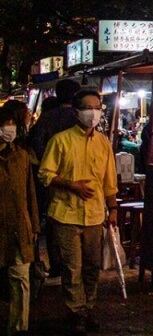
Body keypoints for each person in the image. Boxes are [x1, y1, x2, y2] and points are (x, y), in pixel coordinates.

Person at [38, 89, 118, 334]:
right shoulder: (60, 140)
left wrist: (112, 209)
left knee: (92, 266)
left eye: (97, 108)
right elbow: (45, 174)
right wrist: (71, 185)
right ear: (77, 112)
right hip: (66, 214)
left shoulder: (103, 142)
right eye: (88, 108)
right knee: (72, 268)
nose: (93, 113)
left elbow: (109, 180)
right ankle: (76, 311)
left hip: (94, 215)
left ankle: (88, 307)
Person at [29, 79, 80, 278]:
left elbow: (36, 141)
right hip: (78, 176)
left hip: (52, 178)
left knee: (54, 220)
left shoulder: (48, 118)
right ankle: (74, 263)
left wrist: (47, 162)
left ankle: (58, 264)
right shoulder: (77, 118)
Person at [0, 106, 40, 336]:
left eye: (12, 124)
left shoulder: (21, 156)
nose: (9, 129)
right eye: (6, 124)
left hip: (19, 227)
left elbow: (30, 194)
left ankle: (18, 327)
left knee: (21, 279)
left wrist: (33, 224)